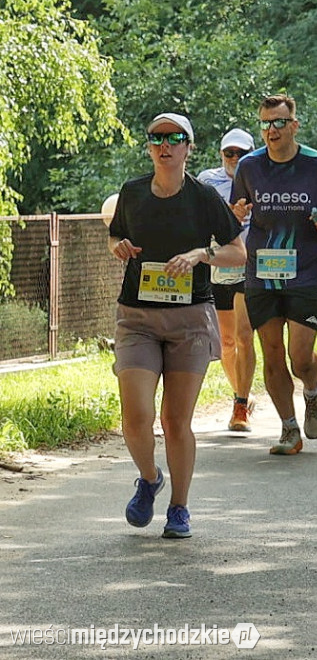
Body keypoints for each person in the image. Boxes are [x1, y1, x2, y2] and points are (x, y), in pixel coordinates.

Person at [109, 112, 245, 538]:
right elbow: (114, 236)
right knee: (135, 416)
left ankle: (179, 508)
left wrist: (201, 255)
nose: (164, 145)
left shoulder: (205, 198)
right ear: (149, 146)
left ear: (189, 146)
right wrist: (121, 246)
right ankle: (150, 478)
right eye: (156, 138)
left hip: (189, 319)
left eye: (174, 138)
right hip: (137, 317)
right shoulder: (131, 193)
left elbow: (238, 253)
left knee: (174, 420)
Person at [231, 94, 317, 454]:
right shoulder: (249, 167)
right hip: (262, 273)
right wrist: (236, 213)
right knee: (271, 354)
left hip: (304, 272)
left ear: (294, 126)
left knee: (300, 357)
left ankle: (314, 389)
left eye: (279, 123)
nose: (272, 130)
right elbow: (236, 210)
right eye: (266, 124)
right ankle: (289, 429)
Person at [197, 128, 258, 431]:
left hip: (252, 263)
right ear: (221, 155)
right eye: (229, 153)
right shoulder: (208, 180)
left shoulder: (263, 177)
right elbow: (200, 219)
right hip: (219, 263)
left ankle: (241, 406)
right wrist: (229, 217)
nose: (235, 158)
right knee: (226, 342)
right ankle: (241, 393)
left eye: (241, 153)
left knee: (245, 335)